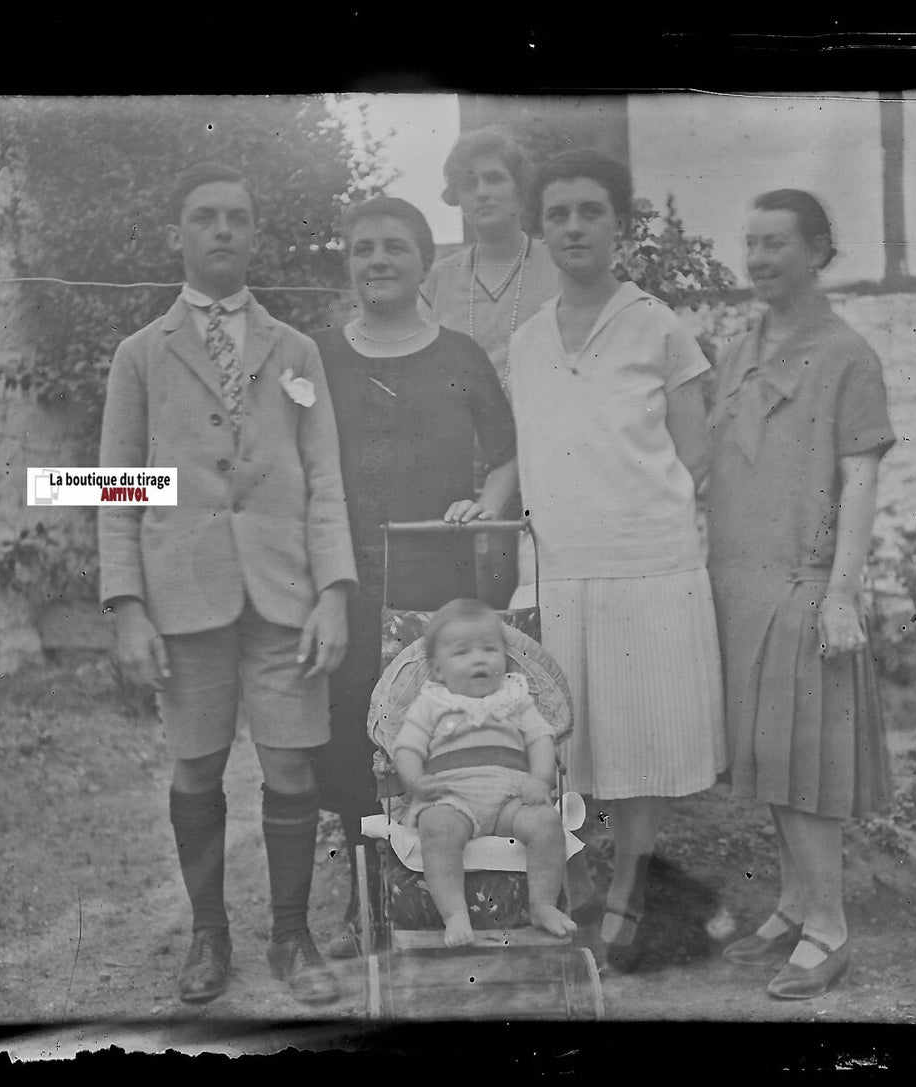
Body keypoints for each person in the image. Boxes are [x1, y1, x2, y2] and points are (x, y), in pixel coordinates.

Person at [98, 162, 356, 1006]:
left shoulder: (296, 349)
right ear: (177, 234)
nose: (221, 230)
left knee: (290, 765)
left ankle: (291, 935)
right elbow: (117, 485)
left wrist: (334, 591)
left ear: (253, 235)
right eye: (204, 216)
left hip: (285, 593)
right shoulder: (141, 354)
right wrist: (127, 606)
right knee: (196, 767)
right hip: (184, 593)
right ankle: (208, 935)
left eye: (236, 218)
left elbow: (325, 479)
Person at [505, 149, 727, 972]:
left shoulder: (656, 326)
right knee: (561, 747)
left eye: (589, 211)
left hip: (645, 568)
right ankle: (569, 889)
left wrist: (632, 517)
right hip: (558, 567)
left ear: (618, 225)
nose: (573, 227)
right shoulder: (525, 341)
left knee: (638, 744)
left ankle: (628, 893)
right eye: (557, 214)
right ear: (539, 229)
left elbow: (694, 455)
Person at [309, 195, 519, 956]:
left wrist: (485, 505)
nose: (378, 260)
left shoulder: (459, 355)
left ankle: (439, 900)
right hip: (348, 582)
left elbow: (506, 454)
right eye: (363, 248)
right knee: (350, 743)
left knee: (433, 734)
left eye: (395, 247)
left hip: (437, 584)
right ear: (348, 265)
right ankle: (364, 904)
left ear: (426, 263)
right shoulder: (319, 356)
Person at [707, 189, 896, 999]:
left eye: (775, 243)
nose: (756, 258)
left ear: (817, 250)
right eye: (749, 242)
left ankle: (829, 928)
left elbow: (860, 481)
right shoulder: (733, 351)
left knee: (805, 764)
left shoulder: (848, 355)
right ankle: (792, 904)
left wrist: (841, 594)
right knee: (766, 756)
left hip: (804, 580)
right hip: (736, 581)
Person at [420, 128, 562, 608]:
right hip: (458, 479)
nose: (481, 192)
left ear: (520, 188)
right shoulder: (439, 280)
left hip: (544, 476)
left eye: (495, 178)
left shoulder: (558, 269)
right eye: (469, 182)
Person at [392, 598, 578, 947]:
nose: (479, 659)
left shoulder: (515, 697)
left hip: (511, 798)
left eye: (489, 649)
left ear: (504, 659)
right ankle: (454, 914)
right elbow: (406, 747)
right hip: (452, 798)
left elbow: (540, 739)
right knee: (437, 827)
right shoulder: (432, 702)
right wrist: (416, 781)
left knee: (546, 822)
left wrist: (540, 779)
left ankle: (542, 905)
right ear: (438, 671)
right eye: (462, 653)